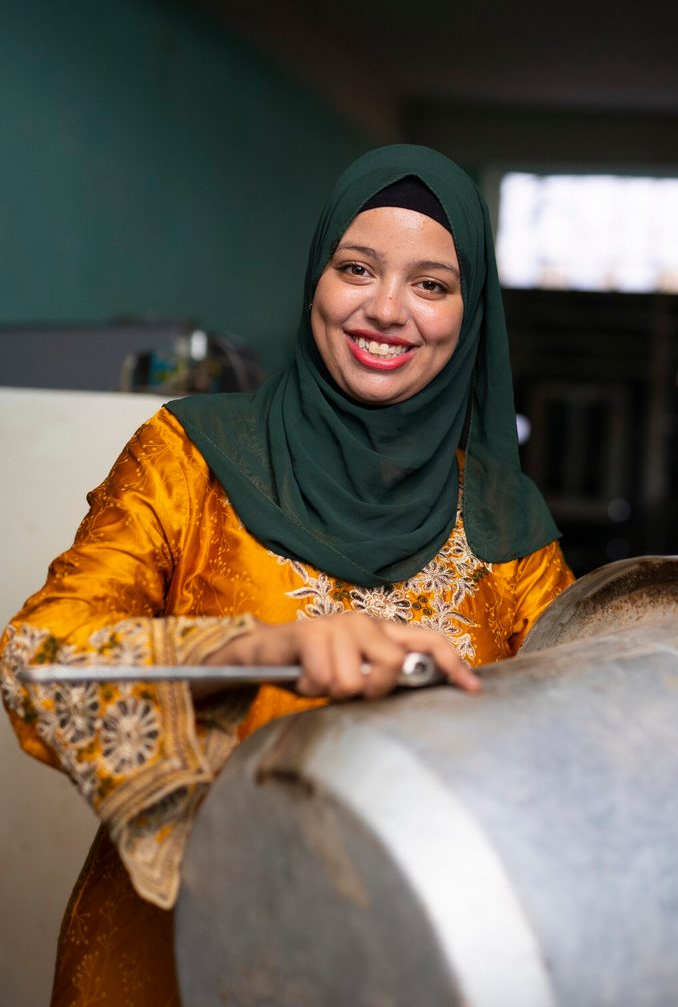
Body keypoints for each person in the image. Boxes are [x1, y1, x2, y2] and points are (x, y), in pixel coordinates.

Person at [0, 144, 573, 1006]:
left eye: (430, 284)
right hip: (172, 960)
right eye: (356, 268)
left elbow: (574, 752)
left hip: (406, 966)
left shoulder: (506, 523)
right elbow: (37, 658)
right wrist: (257, 649)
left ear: (470, 312)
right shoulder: (189, 457)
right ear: (316, 277)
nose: (385, 310)